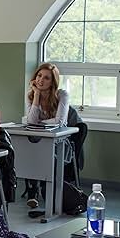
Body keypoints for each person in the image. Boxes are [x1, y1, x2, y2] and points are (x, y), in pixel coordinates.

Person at [23, 62, 82, 208]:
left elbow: (60, 122)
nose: (41, 80)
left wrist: (39, 121)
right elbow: (31, 121)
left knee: (42, 152)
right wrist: (36, 95)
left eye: (47, 78)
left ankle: (36, 190)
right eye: (39, 76)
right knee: (29, 149)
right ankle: (35, 190)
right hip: (41, 138)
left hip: (62, 141)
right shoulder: (31, 95)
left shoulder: (62, 95)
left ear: (53, 81)